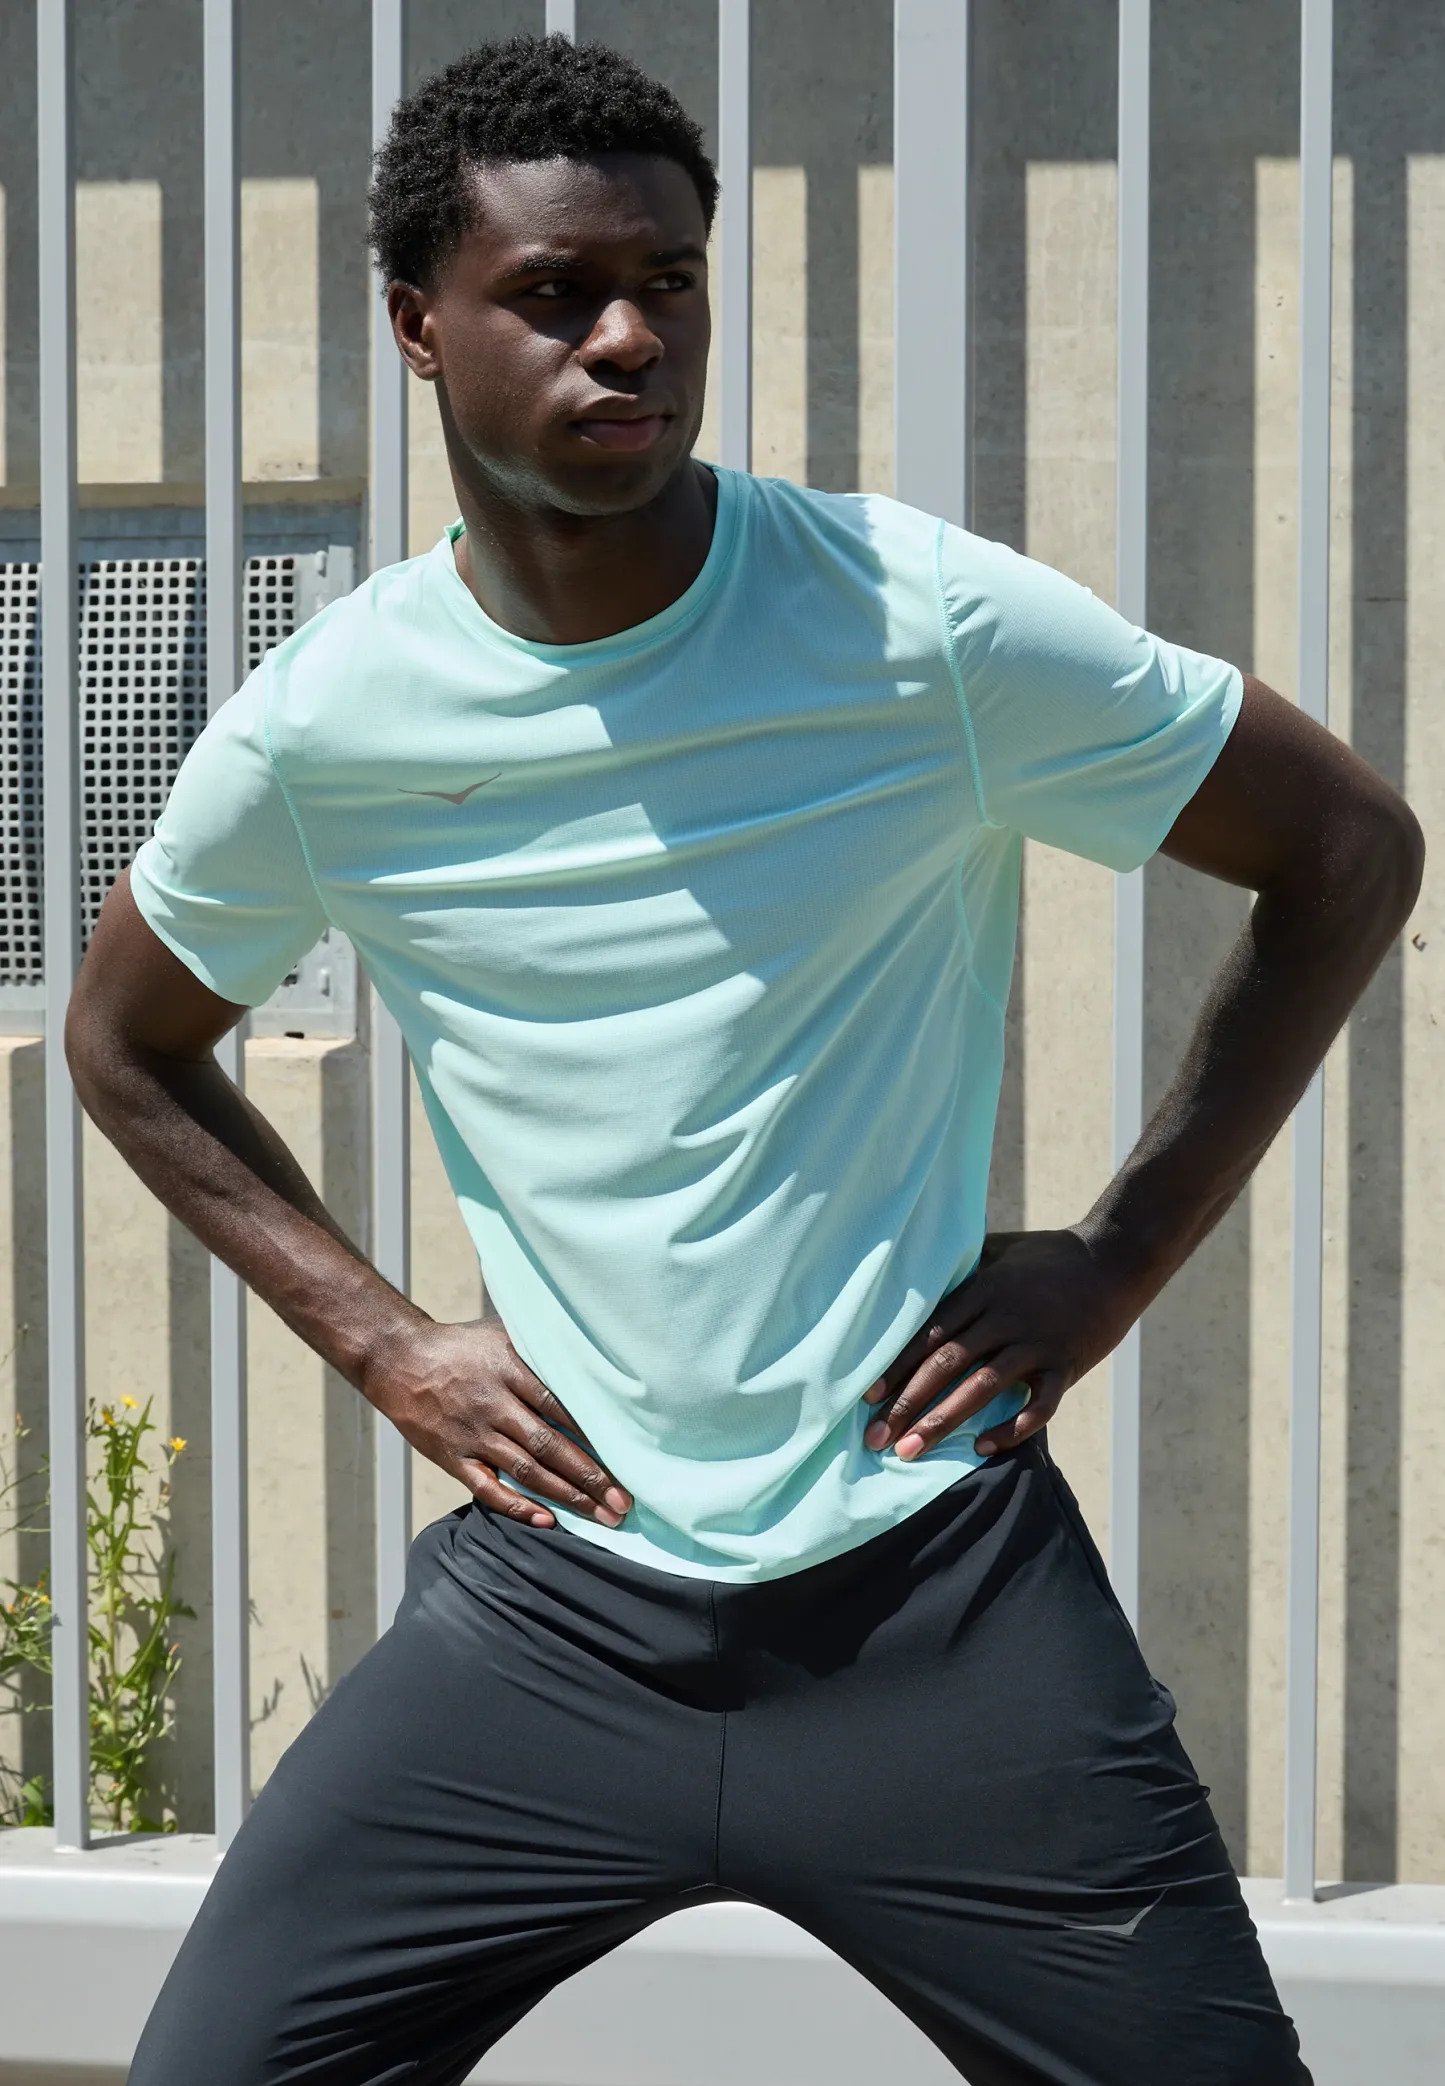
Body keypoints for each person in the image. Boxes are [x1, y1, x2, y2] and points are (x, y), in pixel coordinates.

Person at [72, 34, 1418, 2086]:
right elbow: (125, 1041)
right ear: (419, 325)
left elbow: (1345, 850)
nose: (627, 338)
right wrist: (383, 1339)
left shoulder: (916, 623)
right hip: (547, 1624)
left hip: (938, 1604)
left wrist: (1115, 1255)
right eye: (554, 293)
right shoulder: (328, 725)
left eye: (668, 284)